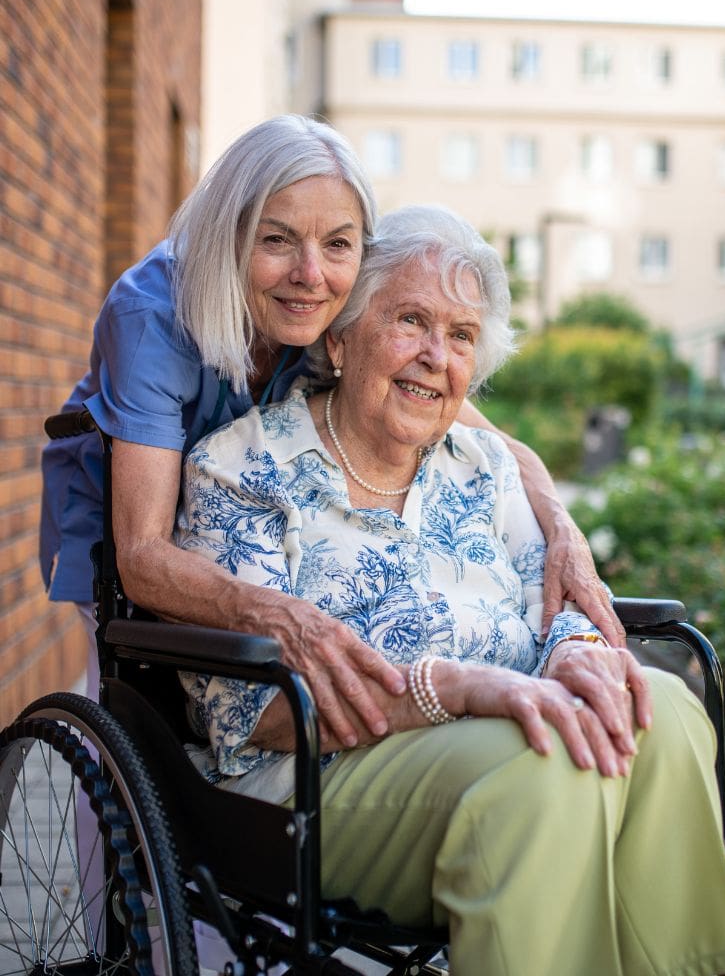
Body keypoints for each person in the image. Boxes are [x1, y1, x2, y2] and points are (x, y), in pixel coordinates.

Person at [175, 205, 725, 976]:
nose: (435, 356)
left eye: (460, 337)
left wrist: (580, 647)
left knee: (663, 709)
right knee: (551, 761)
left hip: (502, 735)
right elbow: (257, 714)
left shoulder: (483, 466)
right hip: (315, 784)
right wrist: (451, 687)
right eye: (412, 320)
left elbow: (546, 600)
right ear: (341, 338)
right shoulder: (241, 470)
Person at [39, 113, 622, 745]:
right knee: (128, 708)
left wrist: (564, 531)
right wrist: (288, 616)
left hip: (235, 502)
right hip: (126, 513)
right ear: (230, 236)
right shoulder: (153, 318)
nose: (311, 274)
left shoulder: (332, 305)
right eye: (278, 240)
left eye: (338, 244)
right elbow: (144, 556)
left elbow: (489, 437)